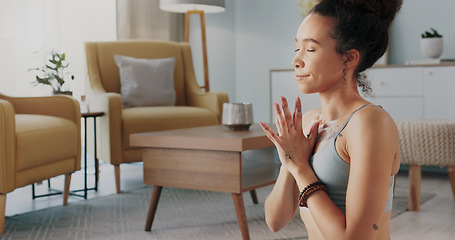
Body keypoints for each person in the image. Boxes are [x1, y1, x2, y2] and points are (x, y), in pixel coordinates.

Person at [260, 0, 403, 239]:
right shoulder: (308, 121)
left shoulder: (370, 123)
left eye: (311, 49)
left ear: (348, 58)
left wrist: (301, 167)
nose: (296, 61)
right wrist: (290, 162)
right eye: (297, 48)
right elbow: (275, 220)